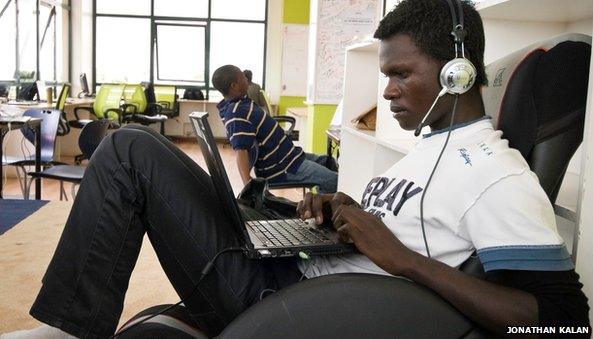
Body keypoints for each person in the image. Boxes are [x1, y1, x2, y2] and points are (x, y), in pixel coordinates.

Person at [5, 1, 587, 338]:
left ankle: (67, 331)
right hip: (297, 270)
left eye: (400, 74)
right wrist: (340, 216)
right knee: (158, 163)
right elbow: (402, 228)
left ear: (458, 72)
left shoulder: (496, 174)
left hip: (289, 302)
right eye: (385, 75)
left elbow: (564, 323)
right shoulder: (431, 149)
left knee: (130, 150)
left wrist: (399, 258)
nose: (386, 92)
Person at [212, 64, 337, 194]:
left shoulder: (241, 102)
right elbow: (241, 151)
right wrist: (248, 185)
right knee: (334, 181)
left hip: (289, 156)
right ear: (234, 86)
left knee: (329, 162)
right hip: (282, 168)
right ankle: (324, 210)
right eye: (242, 77)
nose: (246, 78)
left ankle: (322, 201)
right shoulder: (236, 113)